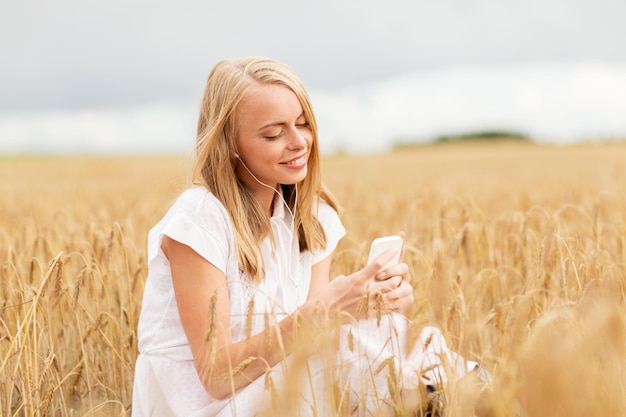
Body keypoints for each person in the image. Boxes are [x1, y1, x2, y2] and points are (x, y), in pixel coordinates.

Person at [132, 56, 484, 417]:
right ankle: (465, 397)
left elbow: (312, 340)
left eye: (303, 124)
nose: (299, 142)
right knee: (346, 343)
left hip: (279, 394)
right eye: (273, 133)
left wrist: (374, 303)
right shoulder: (201, 218)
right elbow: (218, 375)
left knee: (378, 331)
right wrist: (328, 310)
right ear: (230, 143)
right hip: (203, 406)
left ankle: (467, 398)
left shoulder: (312, 217)